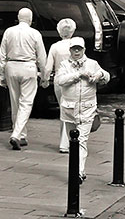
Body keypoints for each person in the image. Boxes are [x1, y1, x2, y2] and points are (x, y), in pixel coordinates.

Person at [56, 36, 110, 182]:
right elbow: (60, 81)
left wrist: (99, 75)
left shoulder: (92, 64)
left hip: (87, 109)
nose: (77, 51)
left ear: (84, 49)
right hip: (69, 110)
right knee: (72, 142)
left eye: (79, 49)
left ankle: (77, 172)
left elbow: (107, 76)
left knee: (81, 141)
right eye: (74, 49)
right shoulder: (64, 65)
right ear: (70, 50)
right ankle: (79, 170)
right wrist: (78, 75)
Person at [0, 7, 48, 150]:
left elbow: (2, 55)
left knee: (15, 103)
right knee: (26, 103)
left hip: (11, 67)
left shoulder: (9, 31)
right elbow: (42, 57)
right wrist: (44, 76)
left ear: (18, 18)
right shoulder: (35, 33)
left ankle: (21, 135)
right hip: (28, 67)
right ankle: (16, 134)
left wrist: (1, 73)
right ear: (30, 19)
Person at [44, 18, 77, 153]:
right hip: (73, 79)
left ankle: (66, 141)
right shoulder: (76, 45)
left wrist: (45, 80)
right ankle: (68, 140)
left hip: (59, 79)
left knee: (63, 109)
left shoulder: (55, 47)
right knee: (71, 110)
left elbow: (47, 67)